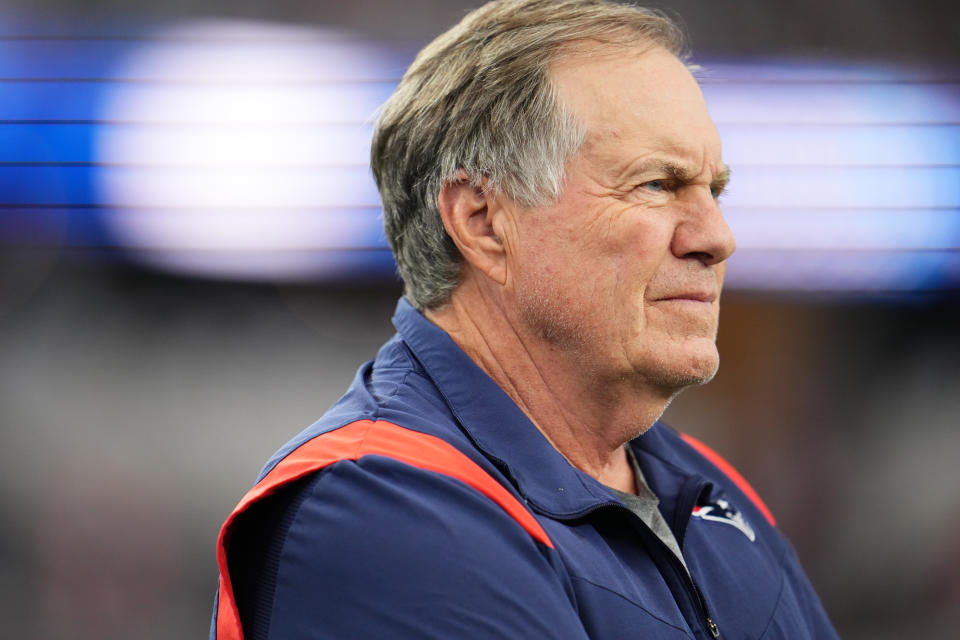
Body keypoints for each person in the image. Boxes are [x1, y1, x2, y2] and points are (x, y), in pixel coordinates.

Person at [212, 0, 839, 638]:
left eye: (715, 190)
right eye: (657, 184)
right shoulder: (382, 505)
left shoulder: (711, 487)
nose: (717, 236)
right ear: (483, 222)